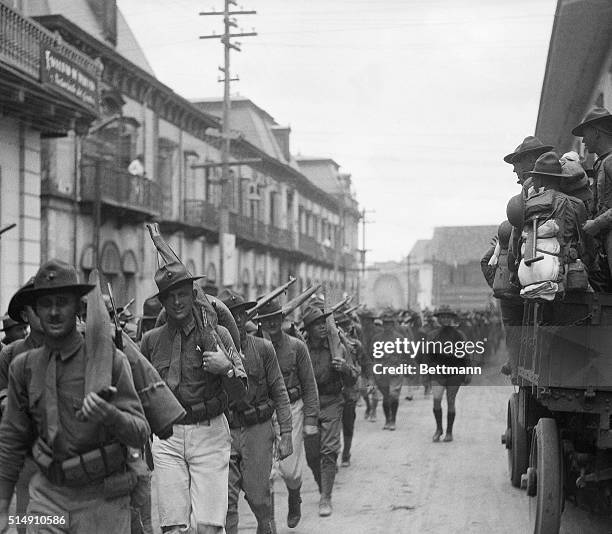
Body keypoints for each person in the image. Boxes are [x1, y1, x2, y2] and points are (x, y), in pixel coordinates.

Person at [0, 259, 150, 534]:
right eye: (46, 304)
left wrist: (109, 414)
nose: (54, 312)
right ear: (35, 311)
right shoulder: (22, 367)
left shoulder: (110, 361)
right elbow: (10, 439)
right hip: (47, 498)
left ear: (78, 307)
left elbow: (140, 433)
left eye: (62, 302)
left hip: (101, 499)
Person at [139, 261, 247, 534]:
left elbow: (241, 394)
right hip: (167, 437)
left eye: (183, 294)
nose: (177, 302)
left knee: (208, 528)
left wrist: (226, 369)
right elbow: (140, 395)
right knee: (173, 528)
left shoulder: (218, 335)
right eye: (170, 296)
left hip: (209, 432)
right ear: (162, 301)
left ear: (193, 295)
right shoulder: (151, 341)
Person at [218, 290, 292, 534]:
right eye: (229, 315)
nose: (235, 320)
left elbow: (279, 392)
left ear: (245, 316)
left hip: (258, 430)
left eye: (239, 315)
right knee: (226, 503)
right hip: (226, 432)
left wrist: (287, 434)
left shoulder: (263, 349)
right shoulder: (211, 352)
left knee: (259, 498)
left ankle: (266, 527)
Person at [257, 299, 319, 529]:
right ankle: (268, 524)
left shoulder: (296, 347)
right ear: (259, 322)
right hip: (265, 412)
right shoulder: (255, 347)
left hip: (293, 409)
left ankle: (295, 496)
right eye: (266, 319)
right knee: (267, 474)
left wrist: (311, 418)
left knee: (290, 471)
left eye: (276, 318)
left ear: (283, 320)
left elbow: (309, 384)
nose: (271, 323)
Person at [302, 306, 357, 517]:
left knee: (329, 451)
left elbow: (354, 376)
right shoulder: (301, 348)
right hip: (310, 404)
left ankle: (326, 497)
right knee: (312, 455)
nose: (322, 327)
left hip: (333, 401)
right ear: (308, 328)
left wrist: (344, 368)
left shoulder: (337, 347)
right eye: (317, 324)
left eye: (324, 323)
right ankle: (322, 484)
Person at [572, 107, 612, 276]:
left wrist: (597, 223)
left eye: (585, 134)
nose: (583, 141)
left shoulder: (610, 162)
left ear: (596, 132)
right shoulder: (603, 163)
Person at [425, 307, 471, 443]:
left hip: (454, 372)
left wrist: (468, 371)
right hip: (438, 372)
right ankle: (439, 429)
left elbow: (466, 355)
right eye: (442, 317)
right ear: (438, 319)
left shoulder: (459, 335)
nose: (445, 319)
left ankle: (449, 432)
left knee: (451, 401)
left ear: (452, 319)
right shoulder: (432, 335)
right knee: (437, 399)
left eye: (447, 317)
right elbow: (427, 356)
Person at [370, 308, 406, 431]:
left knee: (394, 396)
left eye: (390, 323)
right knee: (386, 397)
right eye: (385, 323)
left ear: (394, 324)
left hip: (396, 370)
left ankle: (393, 420)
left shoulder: (400, 338)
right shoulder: (376, 338)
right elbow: (372, 354)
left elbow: (406, 354)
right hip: (382, 371)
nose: (388, 326)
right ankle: (387, 420)